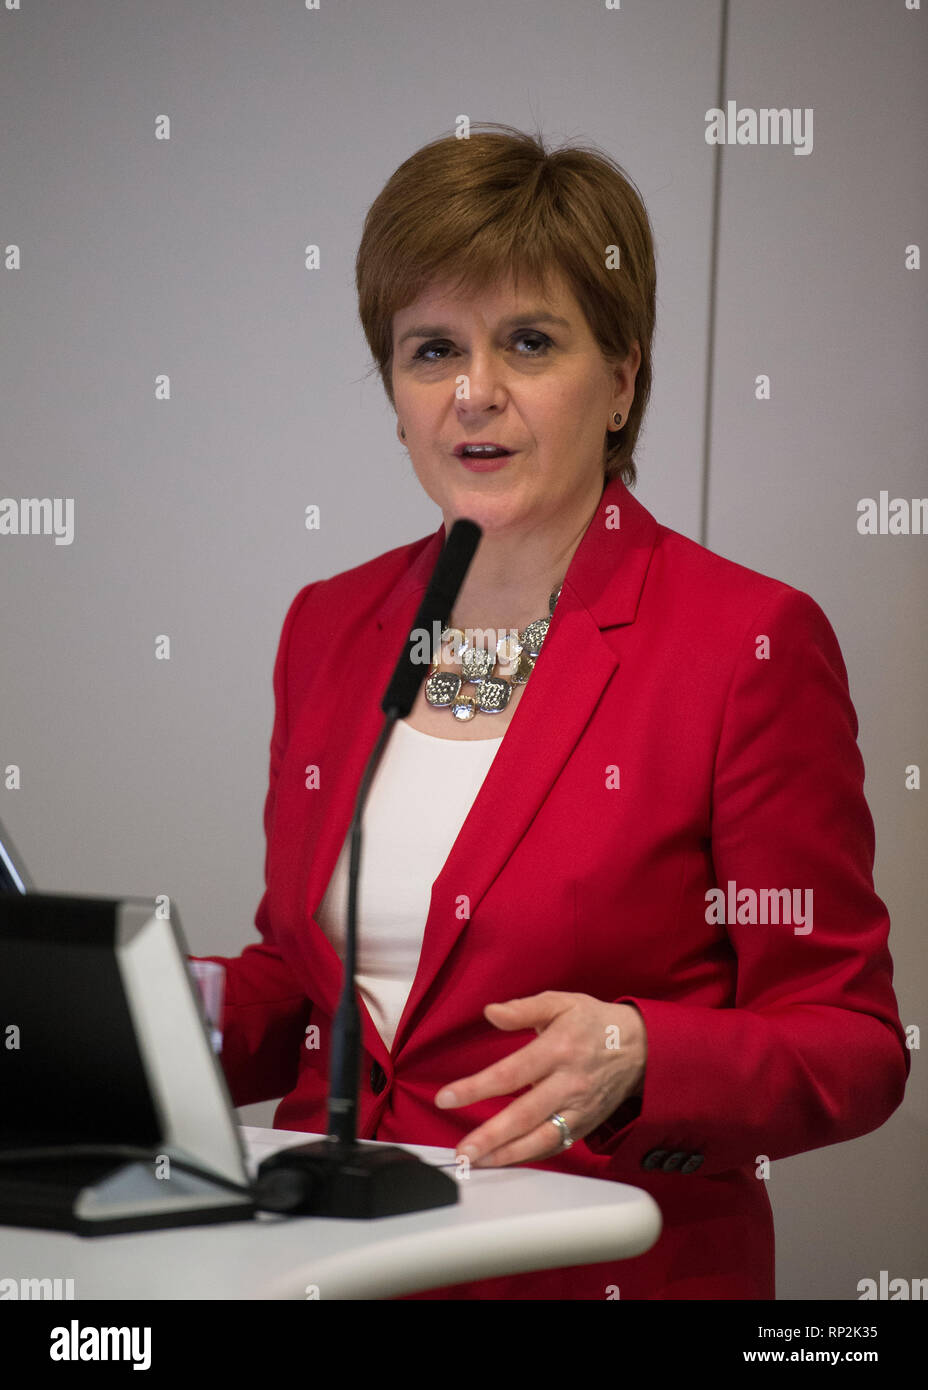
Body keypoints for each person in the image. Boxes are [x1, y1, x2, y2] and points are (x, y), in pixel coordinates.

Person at [195, 124, 909, 1299]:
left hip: (594, 1276)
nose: (475, 392)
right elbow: (307, 987)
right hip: (326, 1265)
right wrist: (148, 1015)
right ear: (394, 392)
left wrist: (644, 1050)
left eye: (528, 342)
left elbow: (855, 1047)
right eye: (432, 350)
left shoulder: (746, 644)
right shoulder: (329, 623)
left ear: (623, 374)